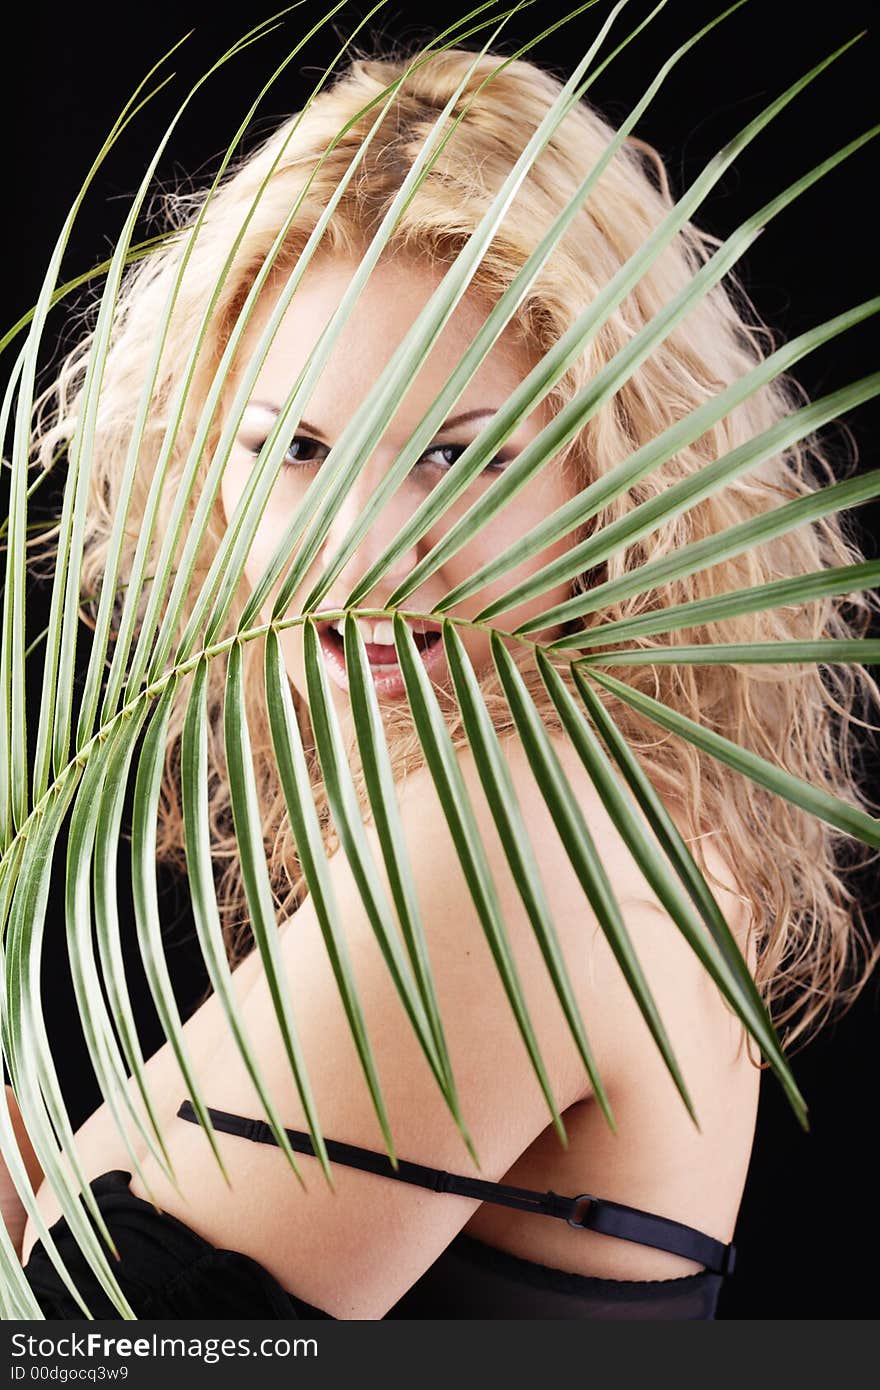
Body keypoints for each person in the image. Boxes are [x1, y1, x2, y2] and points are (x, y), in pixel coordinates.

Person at [3, 36, 878, 1321]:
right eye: (291, 448)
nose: (352, 554)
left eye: (456, 459)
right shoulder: (544, 794)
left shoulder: (529, 833)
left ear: (616, 476)